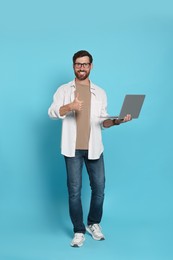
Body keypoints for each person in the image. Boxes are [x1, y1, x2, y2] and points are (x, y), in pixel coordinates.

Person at [48, 50, 131, 247]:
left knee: (99, 188)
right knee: (74, 191)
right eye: (78, 64)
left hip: (94, 147)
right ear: (73, 66)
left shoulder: (100, 92)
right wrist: (70, 106)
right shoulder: (63, 90)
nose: (82, 67)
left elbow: (103, 122)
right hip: (72, 148)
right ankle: (78, 231)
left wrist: (117, 121)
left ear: (91, 66)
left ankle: (93, 223)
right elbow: (52, 112)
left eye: (85, 64)